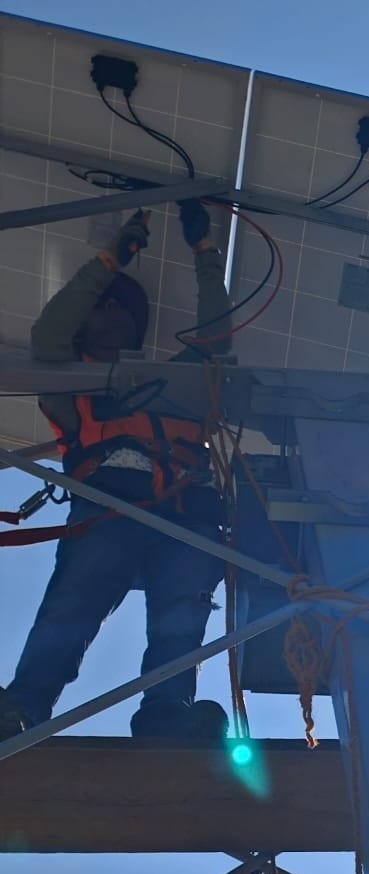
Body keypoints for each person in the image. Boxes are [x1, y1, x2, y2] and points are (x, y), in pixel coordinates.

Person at [0, 201, 231, 741]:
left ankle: (166, 717)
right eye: (101, 308)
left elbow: (216, 341)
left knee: (180, 622)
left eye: (120, 308)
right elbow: (48, 335)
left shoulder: (173, 384)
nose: (111, 314)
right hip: (109, 511)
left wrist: (205, 254)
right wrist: (111, 260)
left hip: (184, 518)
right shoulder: (71, 384)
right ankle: (23, 709)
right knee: (70, 610)